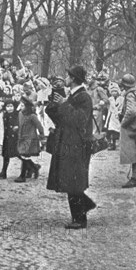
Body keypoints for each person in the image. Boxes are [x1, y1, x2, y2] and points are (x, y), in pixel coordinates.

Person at [45, 65, 95, 230]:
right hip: (66, 143)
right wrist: (53, 103)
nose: (65, 79)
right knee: (69, 180)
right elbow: (59, 117)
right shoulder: (72, 96)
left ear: (73, 78)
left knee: (74, 181)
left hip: (77, 145)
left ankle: (80, 219)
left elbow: (80, 120)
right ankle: (81, 211)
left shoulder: (84, 97)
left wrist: (65, 104)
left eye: (67, 76)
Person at [14, 96, 44, 183]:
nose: (21, 107)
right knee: (20, 154)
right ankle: (34, 167)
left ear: (27, 107)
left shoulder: (32, 116)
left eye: (23, 105)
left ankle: (22, 176)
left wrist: (42, 136)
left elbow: (40, 127)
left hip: (30, 139)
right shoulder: (20, 114)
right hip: (21, 137)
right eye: (20, 105)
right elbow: (21, 125)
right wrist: (17, 128)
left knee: (24, 156)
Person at [0, 101, 19, 179]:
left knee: (19, 154)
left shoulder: (16, 115)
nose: (10, 108)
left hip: (14, 137)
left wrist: (17, 127)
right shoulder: (5, 115)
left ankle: (33, 166)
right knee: (5, 155)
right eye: (8, 106)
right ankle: (4, 172)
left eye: (11, 106)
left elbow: (18, 123)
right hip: (6, 137)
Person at [105, 83, 123, 151]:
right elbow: (109, 109)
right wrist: (106, 121)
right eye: (112, 91)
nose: (114, 93)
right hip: (112, 117)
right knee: (111, 130)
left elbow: (122, 107)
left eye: (115, 91)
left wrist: (119, 112)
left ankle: (118, 143)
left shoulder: (121, 99)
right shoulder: (110, 99)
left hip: (118, 116)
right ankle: (112, 144)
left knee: (117, 131)